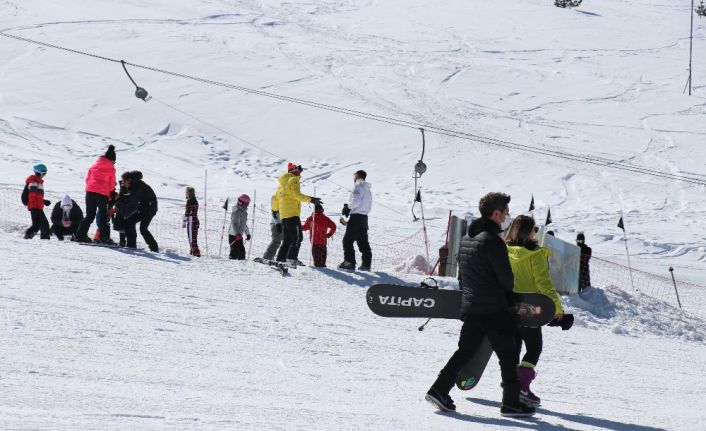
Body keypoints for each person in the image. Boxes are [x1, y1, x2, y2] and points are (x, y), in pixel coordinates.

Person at [426, 192, 535, 417]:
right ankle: (511, 404)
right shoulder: (493, 241)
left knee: (465, 352)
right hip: (494, 308)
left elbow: (463, 275)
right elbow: (506, 279)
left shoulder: (468, 238)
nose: (507, 216)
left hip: (473, 305)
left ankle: (439, 390)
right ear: (495, 213)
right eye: (505, 212)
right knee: (508, 354)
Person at [505, 215, 565, 408]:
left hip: (509, 306)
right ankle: (522, 387)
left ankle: (511, 388)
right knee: (534, 347)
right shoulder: (535, 254)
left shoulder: (504, 250)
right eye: (535, 229)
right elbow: (544, 284)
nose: (536, 232)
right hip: (530, 306)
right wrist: (557, 308)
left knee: (514, 348)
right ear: (528, 231)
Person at [274, 163, 322, 267]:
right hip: (293, 214)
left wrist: (276, 218)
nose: (300, 172)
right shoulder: (293, 180)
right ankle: (291, 258)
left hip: (284, 216)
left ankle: (280, 259)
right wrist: (311, 199)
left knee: (287, 239)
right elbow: (297, 195)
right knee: (297, 237)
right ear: (293, 170)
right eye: (299, 169)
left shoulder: (280, 185)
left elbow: (275, 201)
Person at [74, 145, 116, 244]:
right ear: (112, 159)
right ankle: (104, 237)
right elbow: (111, 184)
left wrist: (92, 188)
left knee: (89, 216)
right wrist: (110, 192)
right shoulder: (111, 168)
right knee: (103, 216)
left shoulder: (94, 166)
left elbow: (87, 179)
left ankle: (80, 235)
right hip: (102, 195)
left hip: (89, 192)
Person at [338, 170, 372, 271]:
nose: (353, 178)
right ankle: (366, 264)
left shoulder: (358, 186)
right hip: (364, 218)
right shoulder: (368, 189)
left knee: (347, 241)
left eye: (354, 176)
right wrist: (350, 208)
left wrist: (348, 208)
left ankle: (349, 262)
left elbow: (356, 201)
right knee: (363, 242)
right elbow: (366, 204)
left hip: (356, 217)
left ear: (357, 176)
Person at [120, 171, 159, 252]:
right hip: (142, 208)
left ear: (129, 180)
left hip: (150, 209)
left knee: (143, 229)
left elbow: (133, 198)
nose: (123, 183)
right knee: (129, 222)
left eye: (124, 181)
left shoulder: (139, 186)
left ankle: (154, 248)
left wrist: (120, 198)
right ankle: (131, 245)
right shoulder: (134, 185)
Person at [22, 163, 51, 240]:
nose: (44, 175)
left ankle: (44, 239)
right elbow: (32, 196)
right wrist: (33, 207)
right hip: (35, 206)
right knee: (39, 225)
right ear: (39, 172)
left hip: (37, 206)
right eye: (44, 173)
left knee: (41, 224)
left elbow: (36, 196)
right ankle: (28, 237)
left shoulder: (38, 182)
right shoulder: (34, 181)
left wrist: (44, 201)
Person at [228, 194, 251, 260]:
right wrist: (237, 233)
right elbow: (234, 223)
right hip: (233, 235)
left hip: (239, 236)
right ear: (241, 203)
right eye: (246, 204)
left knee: (241, 252)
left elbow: (243, 224)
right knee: (235, 251)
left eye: (248, 204)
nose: (247, 205)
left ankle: (240, 267)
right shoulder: (236, 211)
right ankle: (232, 266)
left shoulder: (244, 212)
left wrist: (247, 233)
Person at [262, 193, 283, 261]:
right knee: (276, 241)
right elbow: (274, 214)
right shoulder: (276, 200)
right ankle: (267, 257)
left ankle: (282, 258)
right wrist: (277, 223)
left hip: (283, 223)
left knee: (287, 241)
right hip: (276, 224)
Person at [183, 186, 201, 257]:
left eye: (186, 192)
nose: (185, 194)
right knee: (194, 237)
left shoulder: (190, 201)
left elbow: (187, 212)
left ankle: (195, 252)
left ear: (188, 193)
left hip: (191, 222)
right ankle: (193, 250)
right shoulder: (194, 200)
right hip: (195, 220)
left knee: (191, 237)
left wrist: (184, 220)